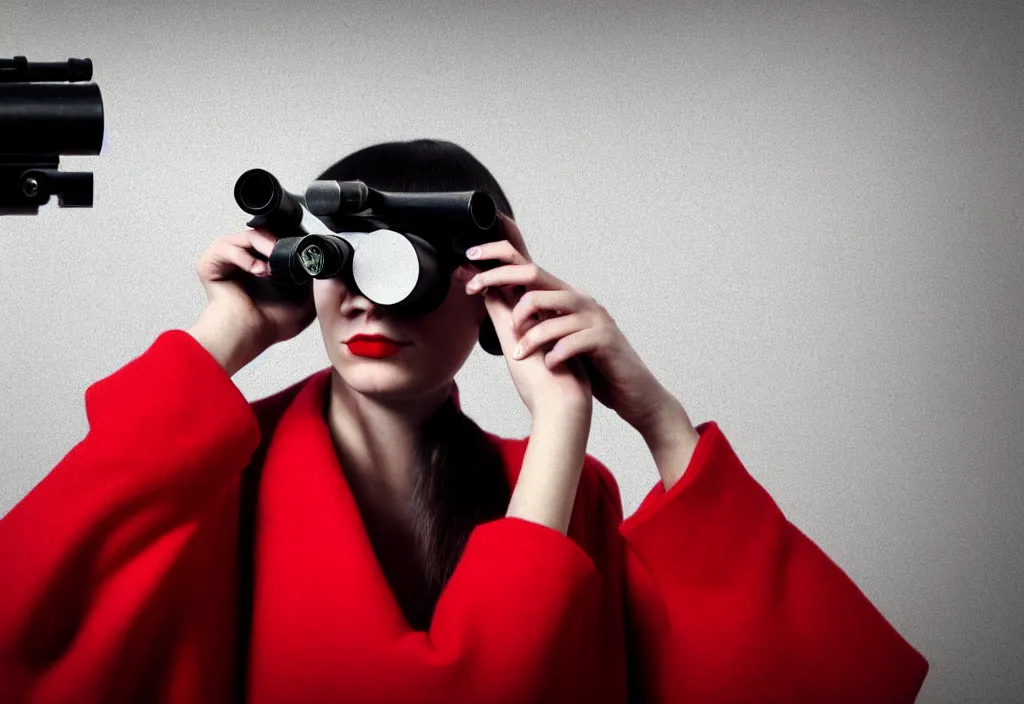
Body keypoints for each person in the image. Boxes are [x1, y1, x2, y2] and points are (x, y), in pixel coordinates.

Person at [0, 139, 929, 703]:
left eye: (411, 268)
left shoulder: (568, 489)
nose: (373, 303)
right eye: (347, 265)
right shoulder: (208, 475)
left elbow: (793, 676)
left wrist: (648, 419)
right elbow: (24, 607)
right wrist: (226, 334)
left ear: (492, 295)